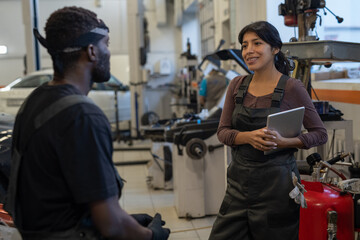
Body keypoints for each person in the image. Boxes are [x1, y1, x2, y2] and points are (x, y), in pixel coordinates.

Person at [5, 6, 170, 240]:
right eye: (107, 44)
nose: (108, 52)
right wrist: (151, 236)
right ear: (92, 51)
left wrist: (128, 221)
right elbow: (111, 226)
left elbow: (55, 197)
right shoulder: (83, 116)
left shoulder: (36, 100)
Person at [208, 21, 328, 240]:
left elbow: (320, 133)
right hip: (239, 187)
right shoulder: (237, 85)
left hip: (277, 190)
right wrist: (247, 137)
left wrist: (284, 142)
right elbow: (223, 131)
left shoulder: (292, 87)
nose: (249, 50)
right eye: (245, 45)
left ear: (275, 49)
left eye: (257, 43)